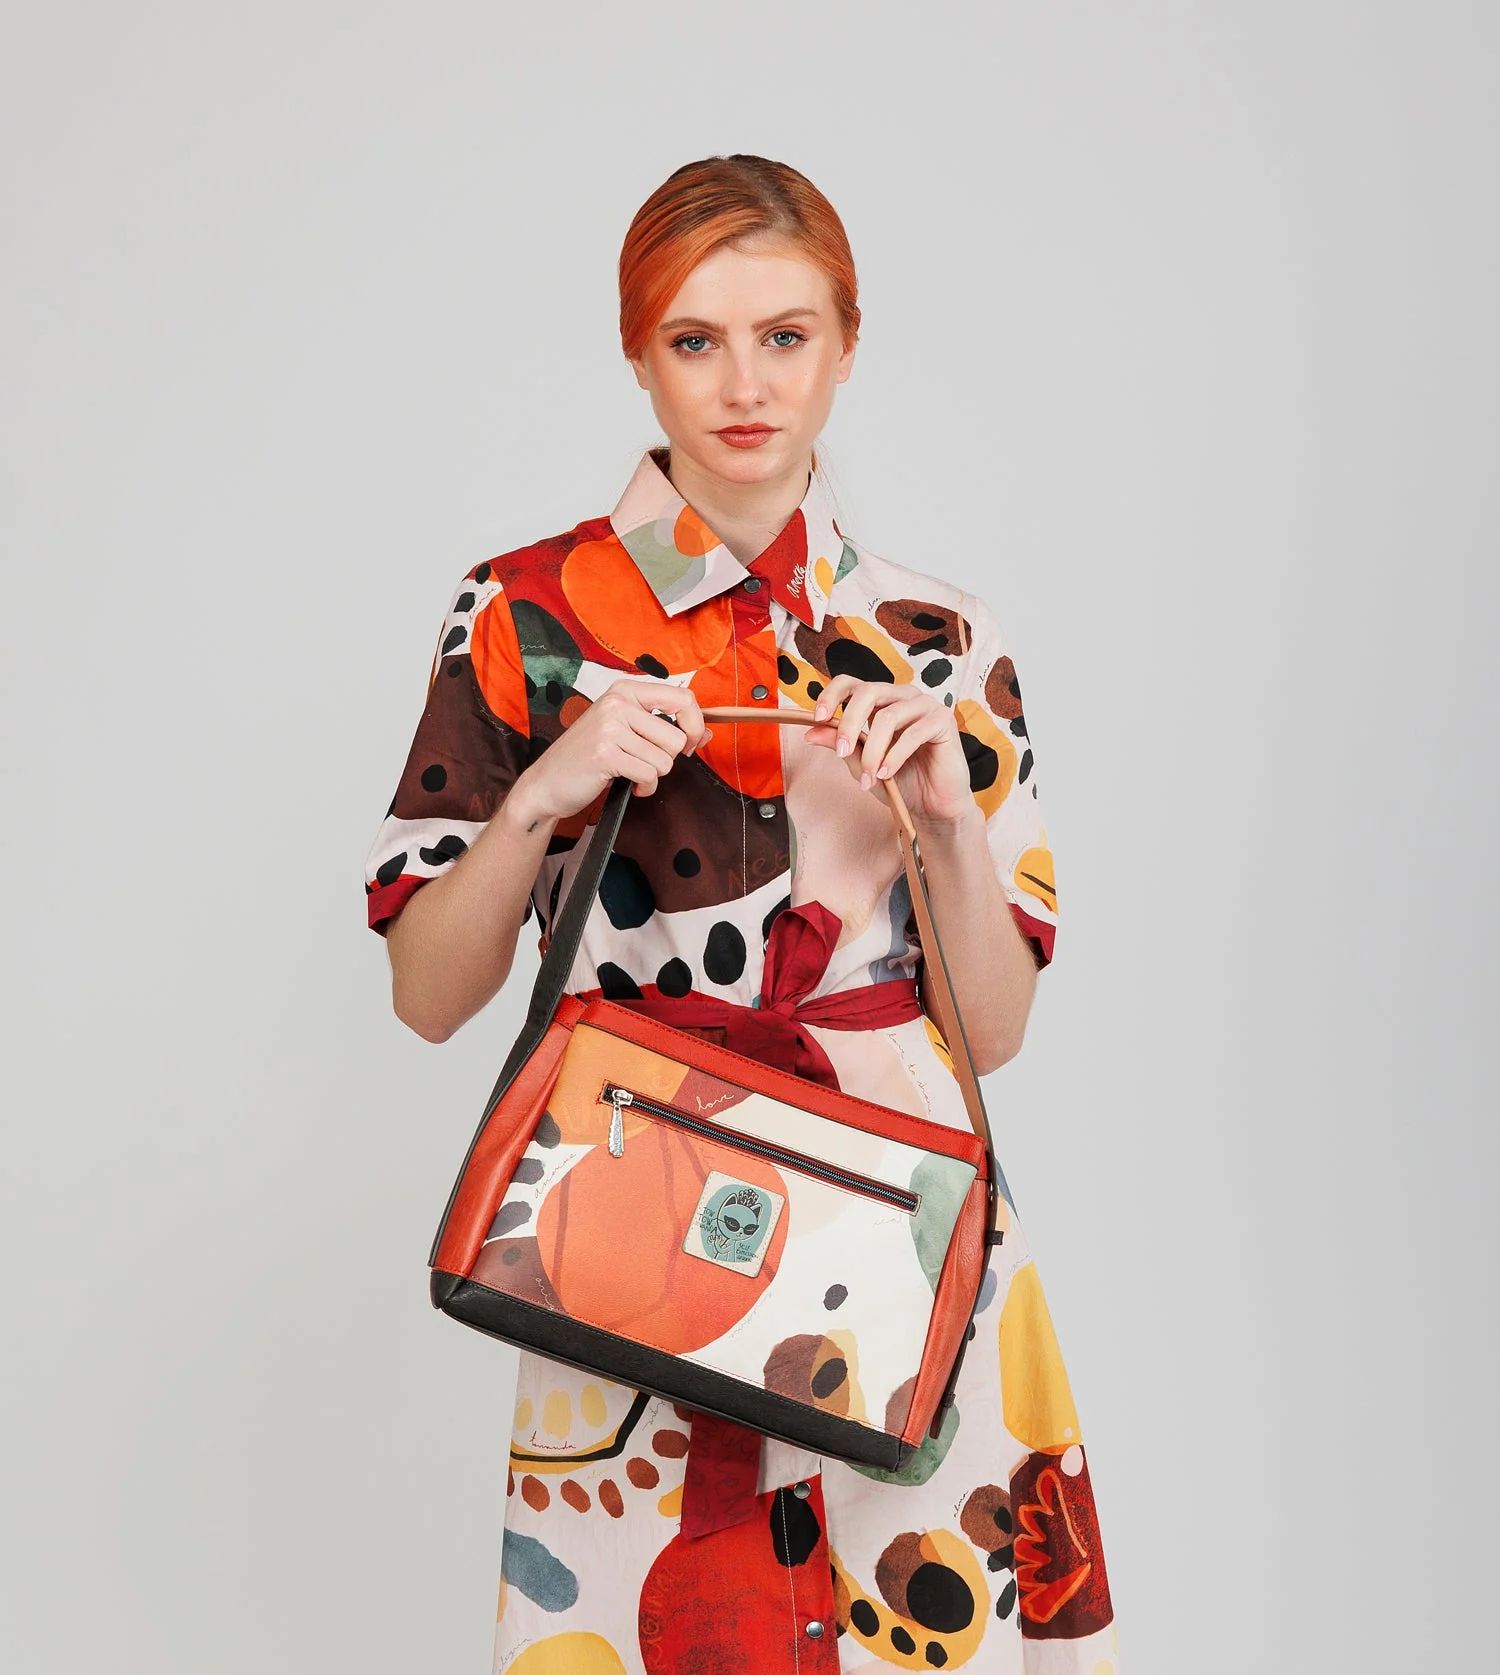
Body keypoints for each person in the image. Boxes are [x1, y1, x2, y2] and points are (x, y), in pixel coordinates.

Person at [363, 154, 1119, 1675]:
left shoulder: (940, 640)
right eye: (695, 339)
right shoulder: (521, 615)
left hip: (899, 1234)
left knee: (917, 1628)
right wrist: (541, 796)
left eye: (786, 335)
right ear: (637, 353)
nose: (745, 385)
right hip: (627, 1220)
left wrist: (946, 820)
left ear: (847, 343)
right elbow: (430, 997)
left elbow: (992, 1035)